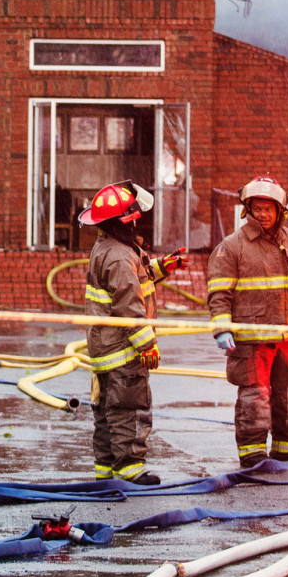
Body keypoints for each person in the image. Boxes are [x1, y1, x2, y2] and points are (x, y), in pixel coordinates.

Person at [208, 176, 288, 467]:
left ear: (281, 211)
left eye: (267, 209)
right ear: (246, 209)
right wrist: (222, 329)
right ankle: (253, 454)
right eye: (256, 208)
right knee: (255, 398)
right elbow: (219, 294)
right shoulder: (232, 247)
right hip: (252, 339)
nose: (261, 214)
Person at [81, 181, 184, 484]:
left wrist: (163, 267)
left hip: (105, 350)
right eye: (135, 218)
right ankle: (129, 471)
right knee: (128, 408)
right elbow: (129, 305)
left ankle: (106, 471)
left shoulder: (110, 248)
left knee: (106, 413)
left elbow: (135, 277)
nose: (139, 221)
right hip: (123, 352)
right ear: (125, 221)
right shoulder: (119, 256)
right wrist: (147, 346)